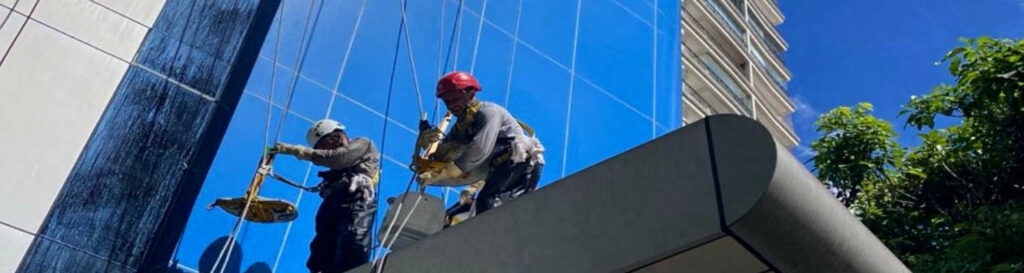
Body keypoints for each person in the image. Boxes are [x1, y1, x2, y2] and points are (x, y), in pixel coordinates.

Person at [415, 71, 545, 215]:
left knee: (489, 202)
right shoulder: (462, 125)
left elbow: (479, 149)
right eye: (447, 101)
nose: (452, 105)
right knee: (482, 205)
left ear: (470, 94)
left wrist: (446, 172)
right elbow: (445, 154)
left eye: (455, 98)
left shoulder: (488, 112)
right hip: (502, 167)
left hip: (520, 162)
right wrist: (425, 143)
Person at [270, 119, 379, 273]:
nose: (328, 148)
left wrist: (296, 150)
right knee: (321, 251)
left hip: (356, 199)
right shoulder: (334, 165)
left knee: (351, 245)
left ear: (339, 135)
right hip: (334, 202)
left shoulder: (363, 144)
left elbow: (338, 158)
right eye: (323, 146)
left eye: (330, 142)